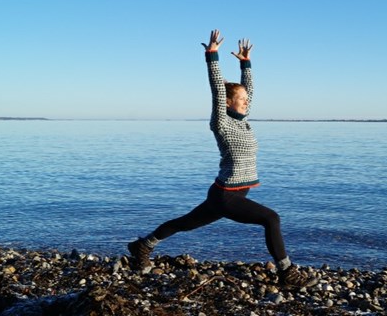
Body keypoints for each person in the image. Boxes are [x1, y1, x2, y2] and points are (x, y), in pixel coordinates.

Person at [128, 29, 317, 287]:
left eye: (247, 100)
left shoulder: (243, 121)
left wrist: (245, 63)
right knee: (271, 219)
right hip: (227, 194)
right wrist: (212, 55)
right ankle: (287, 273)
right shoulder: (222, 123)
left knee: (185, 223)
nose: (247, 103)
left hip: (230, 193)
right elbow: (218, 90)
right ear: (227, 103)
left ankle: (142, 245)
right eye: (241, 100)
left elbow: (248, 89)